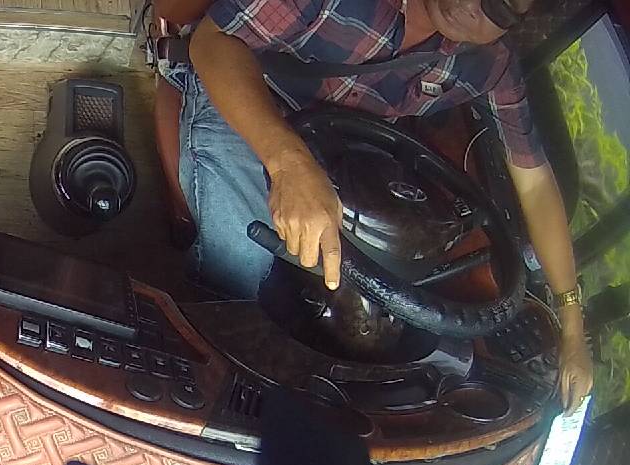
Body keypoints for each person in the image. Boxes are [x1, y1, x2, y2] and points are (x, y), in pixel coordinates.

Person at [163, 0, 593, 412]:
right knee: (243, 265)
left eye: (498, 5)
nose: (472, 5)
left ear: (512, 24)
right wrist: (289, 163)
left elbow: (536, 183)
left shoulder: (491, 66)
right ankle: (201, 380)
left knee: (378, 308)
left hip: (343, 142)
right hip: (249, 92)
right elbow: (214, 42)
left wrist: (572, 329)